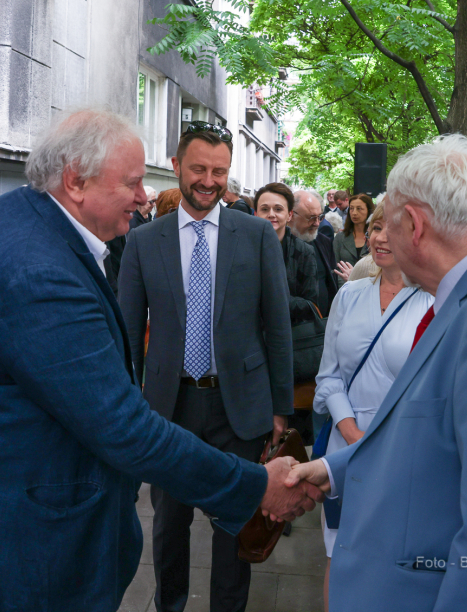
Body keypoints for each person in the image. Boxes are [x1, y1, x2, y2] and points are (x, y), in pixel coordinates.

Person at [0, 109, 320, 611]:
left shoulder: (19, 215)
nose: (144, 197)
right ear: (75, 181)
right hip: (24, 552)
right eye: (133, 183)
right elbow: (121, 425)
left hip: (9, 520)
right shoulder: (40, 277)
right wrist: (254, 488)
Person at [286, 134, 467, 611]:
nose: (383, 237)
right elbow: (437, 440)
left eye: (391, 222)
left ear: (416, 225)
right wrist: (333, 468)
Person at [117, 124, 299, 612]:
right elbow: (128, 333)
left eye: (219, 171)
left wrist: (282, 408)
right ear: (176, 167)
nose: (209, 180)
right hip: (168, 408)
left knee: (233, 527)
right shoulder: (143, 241)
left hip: (238, 408)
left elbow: (277, 326)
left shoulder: (257, 234)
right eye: (198, 169)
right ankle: (169, 605)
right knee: (169, 526)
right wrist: (128, 401)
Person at [313, 197, 434, 610]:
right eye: (376, 228)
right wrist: (350, 431)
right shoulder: (349, 295)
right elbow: (328, 375)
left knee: (390, 558)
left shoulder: (434, 302)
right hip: (345, 446)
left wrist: (375, 440)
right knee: (339, 553)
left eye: (391, 229)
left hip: (403, 451)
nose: (380, 238)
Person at [255, 182, 320, 321]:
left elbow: (310, 304)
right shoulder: (244, 249)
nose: (271, 214)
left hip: (291, 332)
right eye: (264, 209)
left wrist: (266, 299)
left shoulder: (304, 251)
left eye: (278, 209)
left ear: (289, 215)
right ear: (255, 214)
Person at [291, 190, 338, 315]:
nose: (317, 223)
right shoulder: (279, 245)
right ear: (291, 214)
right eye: (311, 218)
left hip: (323, 324)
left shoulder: (324, 242)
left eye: (320, 217)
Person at [333, 193, 374, 284]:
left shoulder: (375, 237)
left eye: (359, 209)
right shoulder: (340, 237)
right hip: (344, 287)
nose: (354, 213)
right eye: (351, 208)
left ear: (369, 211)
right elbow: (335, 267)